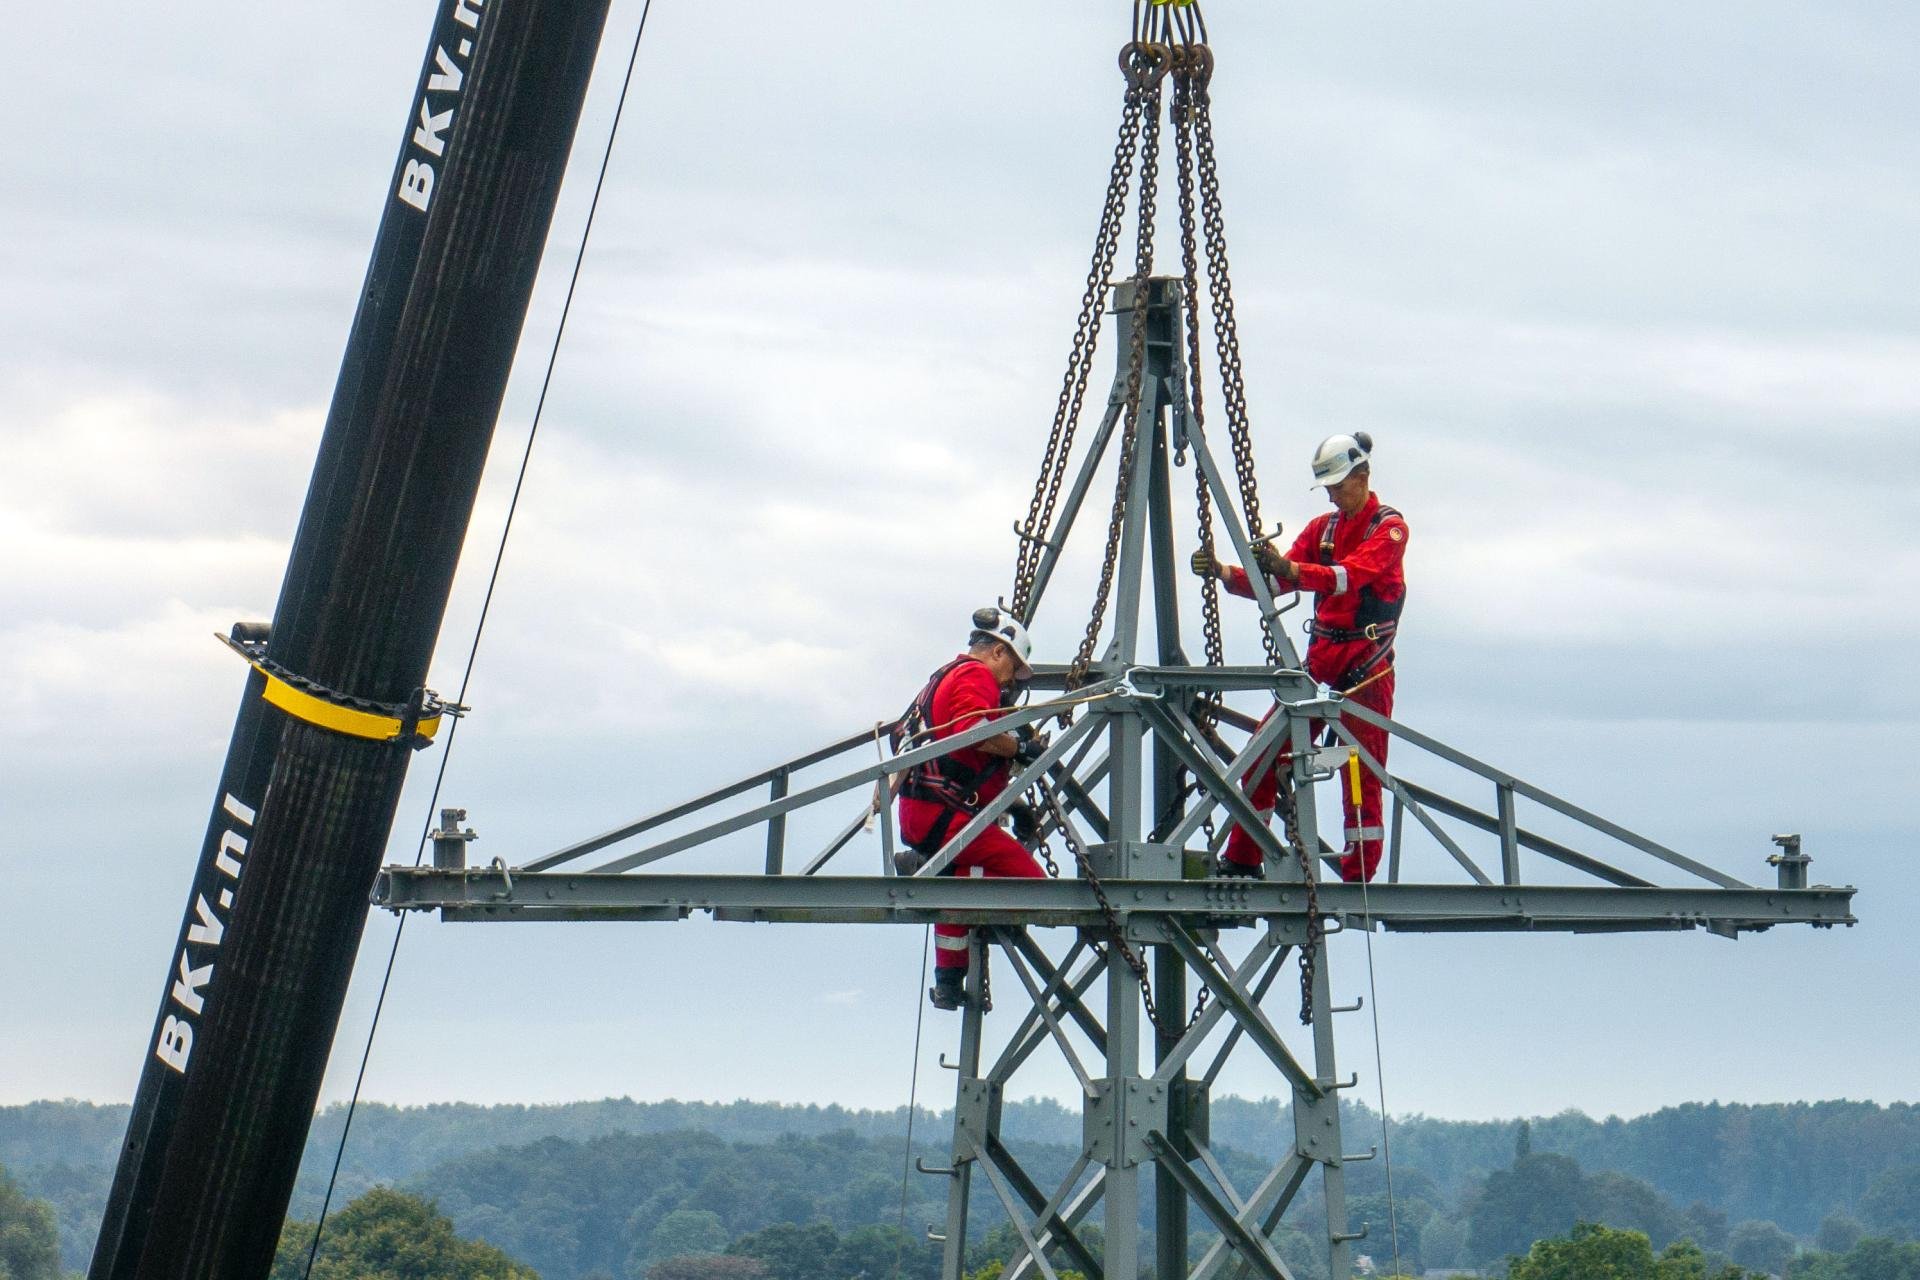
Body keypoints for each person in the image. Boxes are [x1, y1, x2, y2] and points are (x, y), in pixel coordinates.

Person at [1191, 431, 1407, 882]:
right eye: (1327, 487)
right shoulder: (1322, 531)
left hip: (1365, 671)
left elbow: (1350, 576)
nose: (1332, 494)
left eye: (1338, 484)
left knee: (1359, 773)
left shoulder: (1388, 529)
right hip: (1323, 663)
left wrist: (1293, 569)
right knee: (1263, 754)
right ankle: (1245, 858)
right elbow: (1275, 585)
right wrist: (1226, 572)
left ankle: (1358, 876)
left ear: (1363, 475)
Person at [894, 606, 1050, 1010]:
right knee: (1038, 887)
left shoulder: (940, 677)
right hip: (945, 817)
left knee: (961, 881)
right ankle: (938, 873)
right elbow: (972, 734)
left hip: (926, 811)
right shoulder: (974, 674)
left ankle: (948, 980)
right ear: (998, 652)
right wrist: (1021, 747)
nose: (1010, 681)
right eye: (1013, 668)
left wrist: (1012, 807)